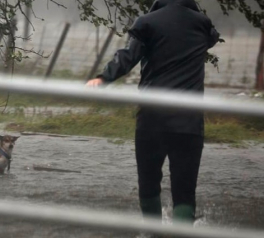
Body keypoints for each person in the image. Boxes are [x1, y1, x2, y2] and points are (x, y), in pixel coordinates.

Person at [86, 0, 220, 223]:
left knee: (148, 184)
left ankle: (151, 233)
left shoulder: (147, 23)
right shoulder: (202, 24)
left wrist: (103, 78)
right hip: (189, 121)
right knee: (184, 191)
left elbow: (127, 56)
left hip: (152, 119)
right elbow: (212, 37)